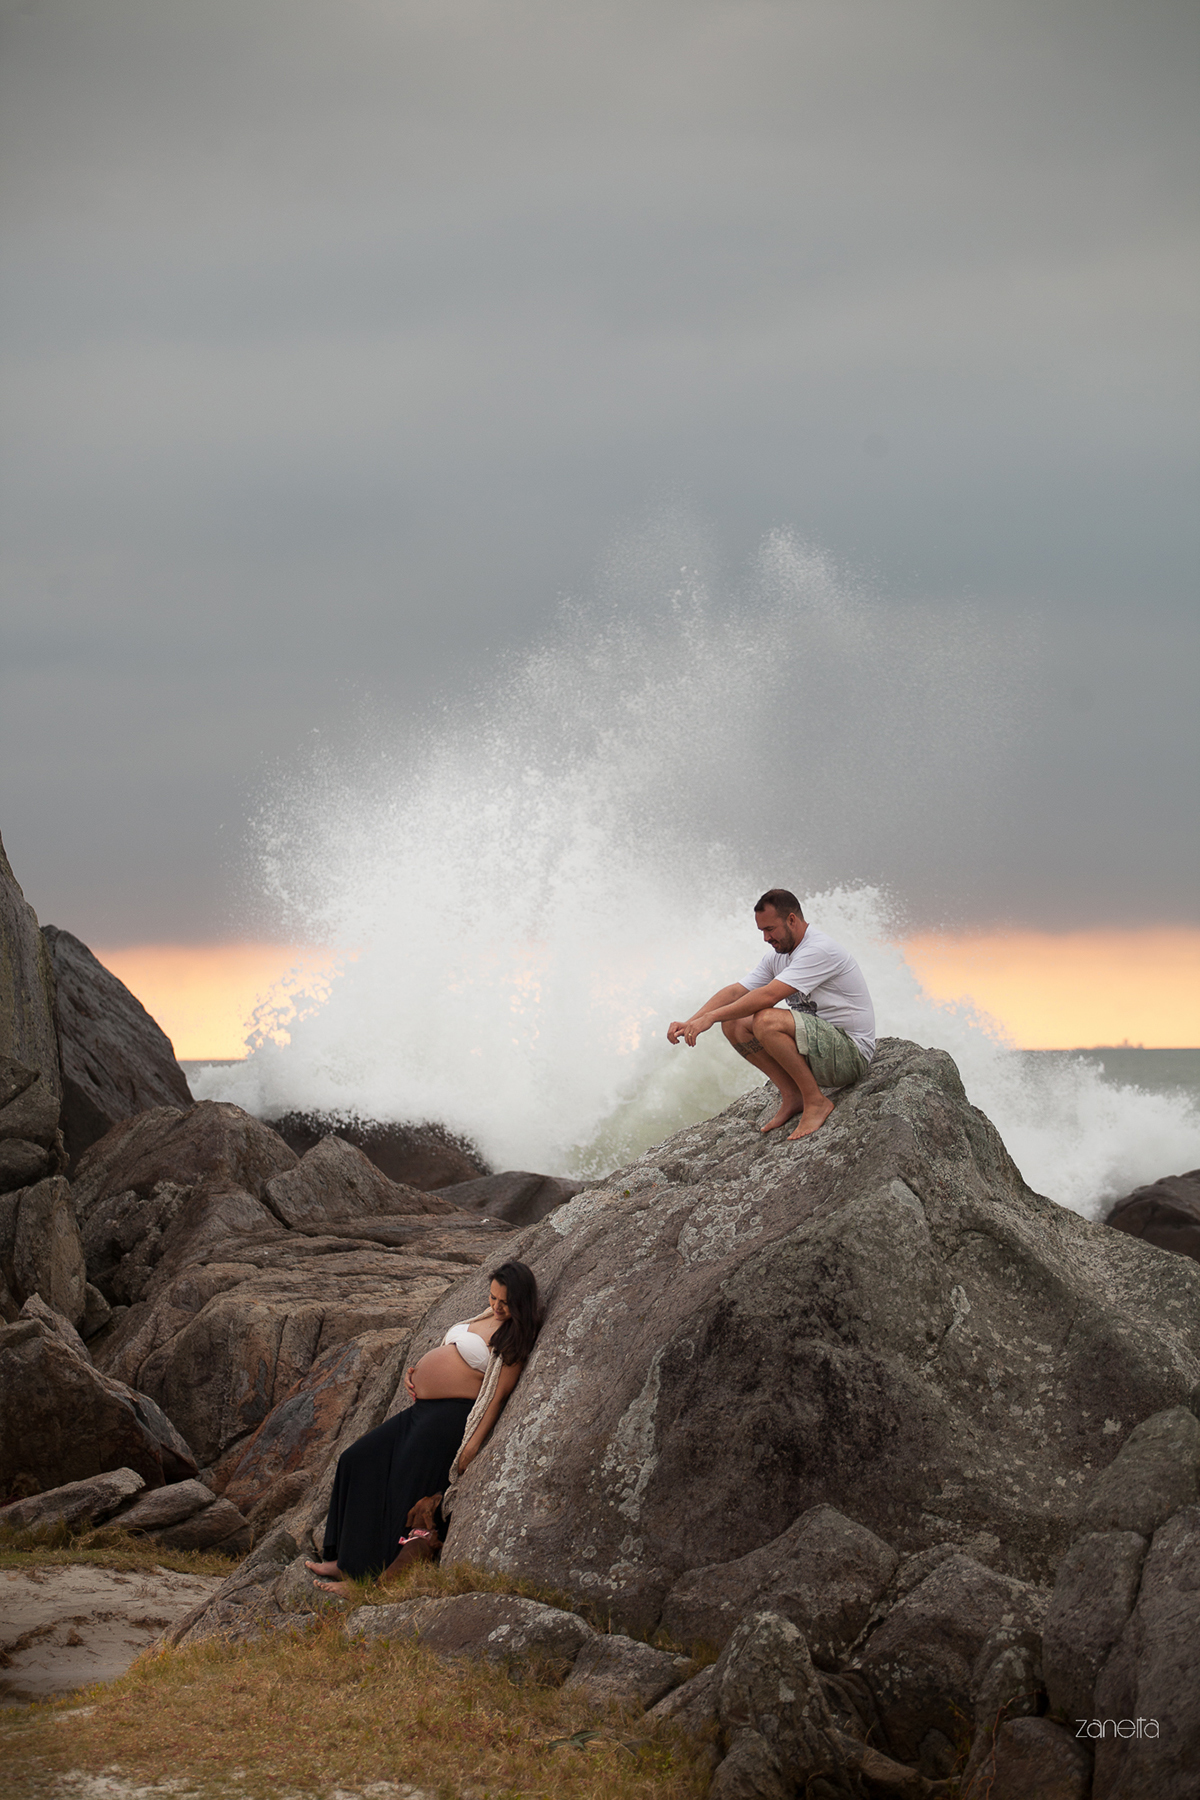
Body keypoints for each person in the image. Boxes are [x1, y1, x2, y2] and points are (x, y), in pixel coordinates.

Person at [305, 1260, 543, 1595]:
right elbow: (451, 1353)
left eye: (504, 1302)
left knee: (402, 1487)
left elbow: (498, 1396)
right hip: (423, 1410)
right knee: (356, 1459)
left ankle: (367, 1578)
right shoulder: (485, 1316)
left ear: (519, 1302)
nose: (496, 1306)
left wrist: (472, 1445)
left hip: (449, 1418)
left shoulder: (515, 1335)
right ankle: (345, 1560)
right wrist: (416, 1373)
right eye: (492, 1298)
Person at [667, 888, 875, 1140]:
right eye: (762, 931)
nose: (766, 938)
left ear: (791, 920)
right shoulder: (777, 957)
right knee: (733, 1021)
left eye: (770, 929)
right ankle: (793, 1095)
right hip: (818, 1051)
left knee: (765, 1020)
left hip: (850, 1055)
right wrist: (692, 1021)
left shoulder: (819, 950)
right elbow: (736, 991)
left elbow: (768, 996)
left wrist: (711, 1018)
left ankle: (816, 1101)